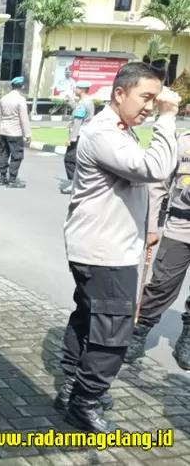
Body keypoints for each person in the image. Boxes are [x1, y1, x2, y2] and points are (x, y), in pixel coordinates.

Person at [58, 62, 178, 433]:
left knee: (87, 319)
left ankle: (71, 387)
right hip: (104, 252)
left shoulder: (120, 130)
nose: (151, 105)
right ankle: (85, 401)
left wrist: (149, 229)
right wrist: (168, 118)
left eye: (156, 99)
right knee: (113, 331)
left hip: (105, 247)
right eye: (146, 97)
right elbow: (154, 168)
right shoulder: (104, 132)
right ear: (120, 93)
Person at [123, 126, 190, 371]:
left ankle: (187, 339)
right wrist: (152, 226)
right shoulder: (182, 142)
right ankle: (138, 333)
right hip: (180, 226)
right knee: (162, 284)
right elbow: (159, 186)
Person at [0, 76, 31, 188]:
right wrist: (28, 134)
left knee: (3, 153)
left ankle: (2, 177)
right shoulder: (21, 100)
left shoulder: (3, 98)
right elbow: (24, 118)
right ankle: (12, 179)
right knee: (17, 156)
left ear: (11, 86)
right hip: (15, 132)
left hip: (3, 131)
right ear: (22, 86)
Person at [61, 81, 95, 195]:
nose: (75, 90)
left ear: (81, 90)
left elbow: (78, 121)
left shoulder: (82, 103)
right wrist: (70, 101)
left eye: (76, 89)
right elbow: (79, 111)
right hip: (86, 134)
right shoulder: (88, 101)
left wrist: (72, 138)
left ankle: (73, 185)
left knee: (70, 160)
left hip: (79, 134)